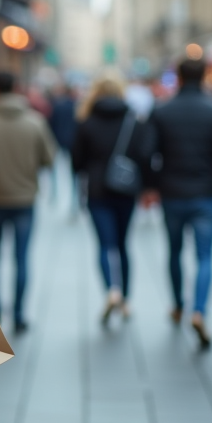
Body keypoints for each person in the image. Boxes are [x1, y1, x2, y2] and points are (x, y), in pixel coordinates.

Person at [143, 57, 212, 349]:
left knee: (174, 252)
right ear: (205, 75)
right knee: (205, 256)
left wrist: (154, 184)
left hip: (172, 193)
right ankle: (199, 310)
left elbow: (146, 152)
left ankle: (177, 305)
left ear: (179, 77)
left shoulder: (161, 111)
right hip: (204, 193)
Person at [72, 72, 153, 325]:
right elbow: (145, 156)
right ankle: (126, 299)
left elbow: (76, 162)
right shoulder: (134, 121)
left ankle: (111, 290)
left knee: (104, 245)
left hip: (97, 191)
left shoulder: (86, 122)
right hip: (126, 190)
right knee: (123, 244)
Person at [0, 71, 56, 333]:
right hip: (24, 200)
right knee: (21, 258)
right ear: (17, 88)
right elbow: (49, 159)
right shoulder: (35, 122)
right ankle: (20, 314)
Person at [48, 83, 79, 210]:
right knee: (73, 173)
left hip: (58, 140)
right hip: (73, 142)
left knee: (54, 169)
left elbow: (51, 124)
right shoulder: (78, 107)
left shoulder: (58, 106)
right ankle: (74, 202)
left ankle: (54, 194)